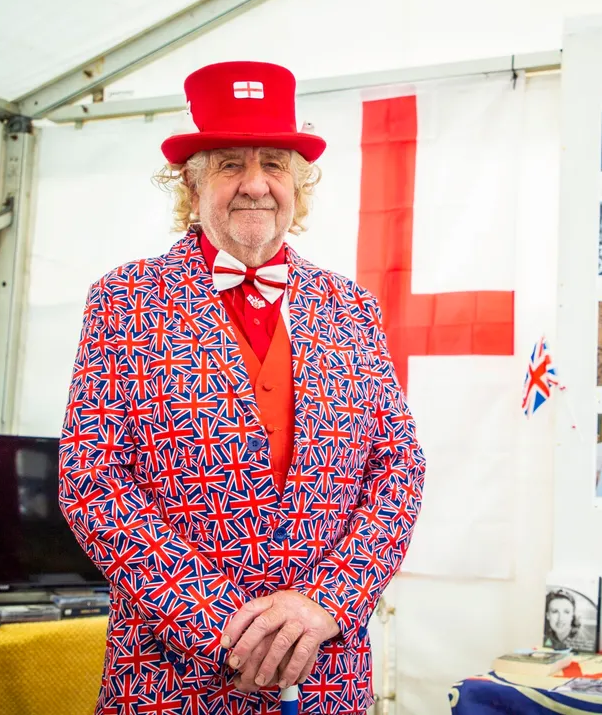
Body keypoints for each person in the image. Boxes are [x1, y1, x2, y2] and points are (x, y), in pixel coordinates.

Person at [57, 61, 426, 715]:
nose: (255, 183)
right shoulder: (124, 300)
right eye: (230, 163)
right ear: (191, 180)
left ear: (297, 183)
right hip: (172, 680)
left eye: (273, 164)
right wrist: (221, 623)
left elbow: (398, 468)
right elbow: (93, 479)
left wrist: (326, 603)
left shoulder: (354, 307)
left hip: (325, 677)